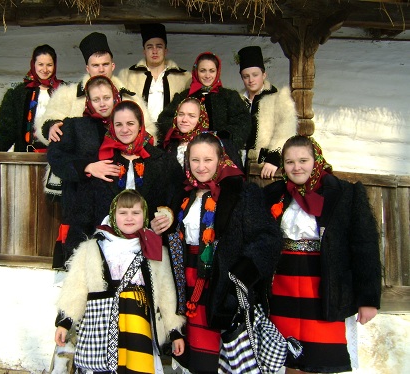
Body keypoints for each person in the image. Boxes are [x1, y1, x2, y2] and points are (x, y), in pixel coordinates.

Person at [152, 132, 282, 373]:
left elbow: (268, 238)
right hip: (183, 286)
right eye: (195, 160)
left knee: (214, 357)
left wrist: (241, 276)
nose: (201, 167)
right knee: (189, 354)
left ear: (221, 160)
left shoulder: (242, 194)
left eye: (208, 160)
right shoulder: (182, 194)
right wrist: (163, 226)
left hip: (219, 286)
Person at [263, 135, 381, 373]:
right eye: (289, 162)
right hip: (283, 284)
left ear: (316, 160)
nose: (296, 167)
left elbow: (364, 246)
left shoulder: (344, 193)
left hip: (325, 284)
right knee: (285, 355)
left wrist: (368, 299)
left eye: (303, 160)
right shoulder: (273, 194)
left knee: (321, 354)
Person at [54, 189, 186, 373]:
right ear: (113, 215)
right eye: (123, 212)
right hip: (102, 326)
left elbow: (166, 292)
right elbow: (76, 285)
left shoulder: (153, 247)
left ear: (145, 215)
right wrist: (65, 322)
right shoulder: (94, 247)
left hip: (139, 326)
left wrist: (175, 331)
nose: (129, 218)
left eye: (136, 213)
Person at [58, 100, 183, 267]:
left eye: (130, 123)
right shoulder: (101, 162)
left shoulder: (162, 161)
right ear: (112, 127)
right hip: (106, 248)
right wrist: (75, 250)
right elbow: (84, 209)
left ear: (140, 125)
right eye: (119, 124)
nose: (124, 129)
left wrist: (169, 216)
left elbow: (179, 196)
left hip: (150, 248)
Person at [47, 75, 122, 269]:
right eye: (96, 99)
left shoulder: (124, 125)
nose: (102, 104)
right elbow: (56, 158)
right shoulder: (74, 126)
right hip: (80, 207)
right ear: (88, 100)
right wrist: (88, 166)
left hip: (116, 208)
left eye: (106, 98)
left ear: (114, 97)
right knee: (79, 269)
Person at [37, 32, 156, 144]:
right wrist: (51, 127)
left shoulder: (129, 97)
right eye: (95, 65)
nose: (101, 70)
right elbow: (46, 122)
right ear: (87, 68)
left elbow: (149, 131)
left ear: (113, 66)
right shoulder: (67, 95)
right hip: (79, 163)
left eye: (105, 64)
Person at [156, 52, 250, 152]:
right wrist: (183, 134)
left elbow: (243, 121)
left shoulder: (229, 96)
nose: (207, 75)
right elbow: (164, 118)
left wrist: (224, 136)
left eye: (212, 71)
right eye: (203, 71)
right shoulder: (184, 96)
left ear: (217, 72)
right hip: (187, 149)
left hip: (222, 150)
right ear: (196, 71)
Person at [0, 44, 63, 152]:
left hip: (58, 155)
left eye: (49, 65)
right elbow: (8, 131)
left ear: (54, 66)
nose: (45, 69)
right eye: (40, 64)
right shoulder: (19, 93)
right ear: (33, 64)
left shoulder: (63, 91)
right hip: (25, 155)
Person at [237, 46, 297, 178]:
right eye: (246, 76)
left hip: (264, 165)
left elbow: (286, 128)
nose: (251, 80)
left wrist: (273, 158)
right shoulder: (237, 100)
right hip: (238, 162)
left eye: (255, 75)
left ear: (264, 75)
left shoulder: (278, 97)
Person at [118, 23, 191, 123]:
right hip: (138, 134)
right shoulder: (127, 76)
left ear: (166, 50)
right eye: (149, 47)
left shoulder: (184, 77)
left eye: (159, 46)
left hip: (172, 133)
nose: (154, 51)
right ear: (144, 51)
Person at [162, 97, 243, 171]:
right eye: (181, 114)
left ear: (201, 118)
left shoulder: (215, 142)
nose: (184, 120)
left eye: (191, 116)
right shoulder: (169, 143)